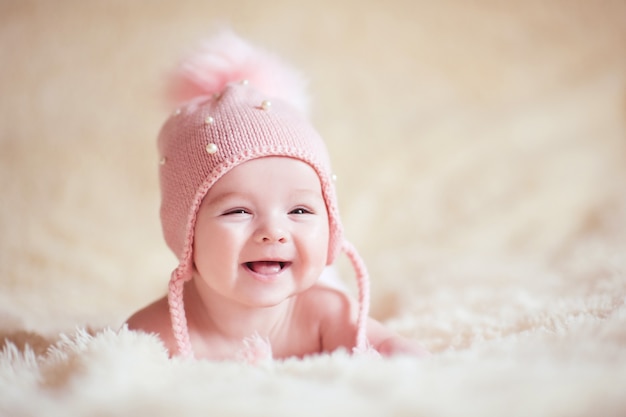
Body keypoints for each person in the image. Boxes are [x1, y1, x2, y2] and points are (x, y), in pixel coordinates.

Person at [126, 31, 428, 362]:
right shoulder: (158, 333)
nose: (274, 231)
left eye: (299, 210)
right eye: (238, 211)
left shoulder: (327, 312)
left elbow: (391, 352)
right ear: (185, 232)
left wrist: (400, 353)